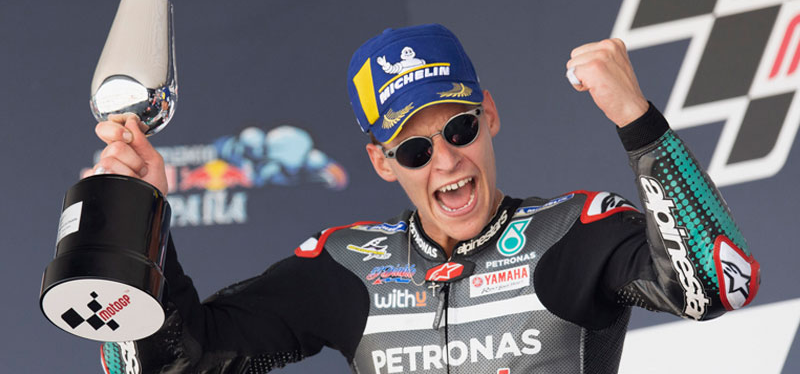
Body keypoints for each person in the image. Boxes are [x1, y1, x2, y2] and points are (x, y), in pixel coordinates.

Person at [93, 24, 760, 374]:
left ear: (489, 114)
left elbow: (717, 283)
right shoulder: (346, 267)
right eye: (413, 149)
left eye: (459, 129)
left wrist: (638, 121)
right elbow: (177, 365)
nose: (446, 160)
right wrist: (136, 217)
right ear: (382, 163)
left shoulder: (576, 233)